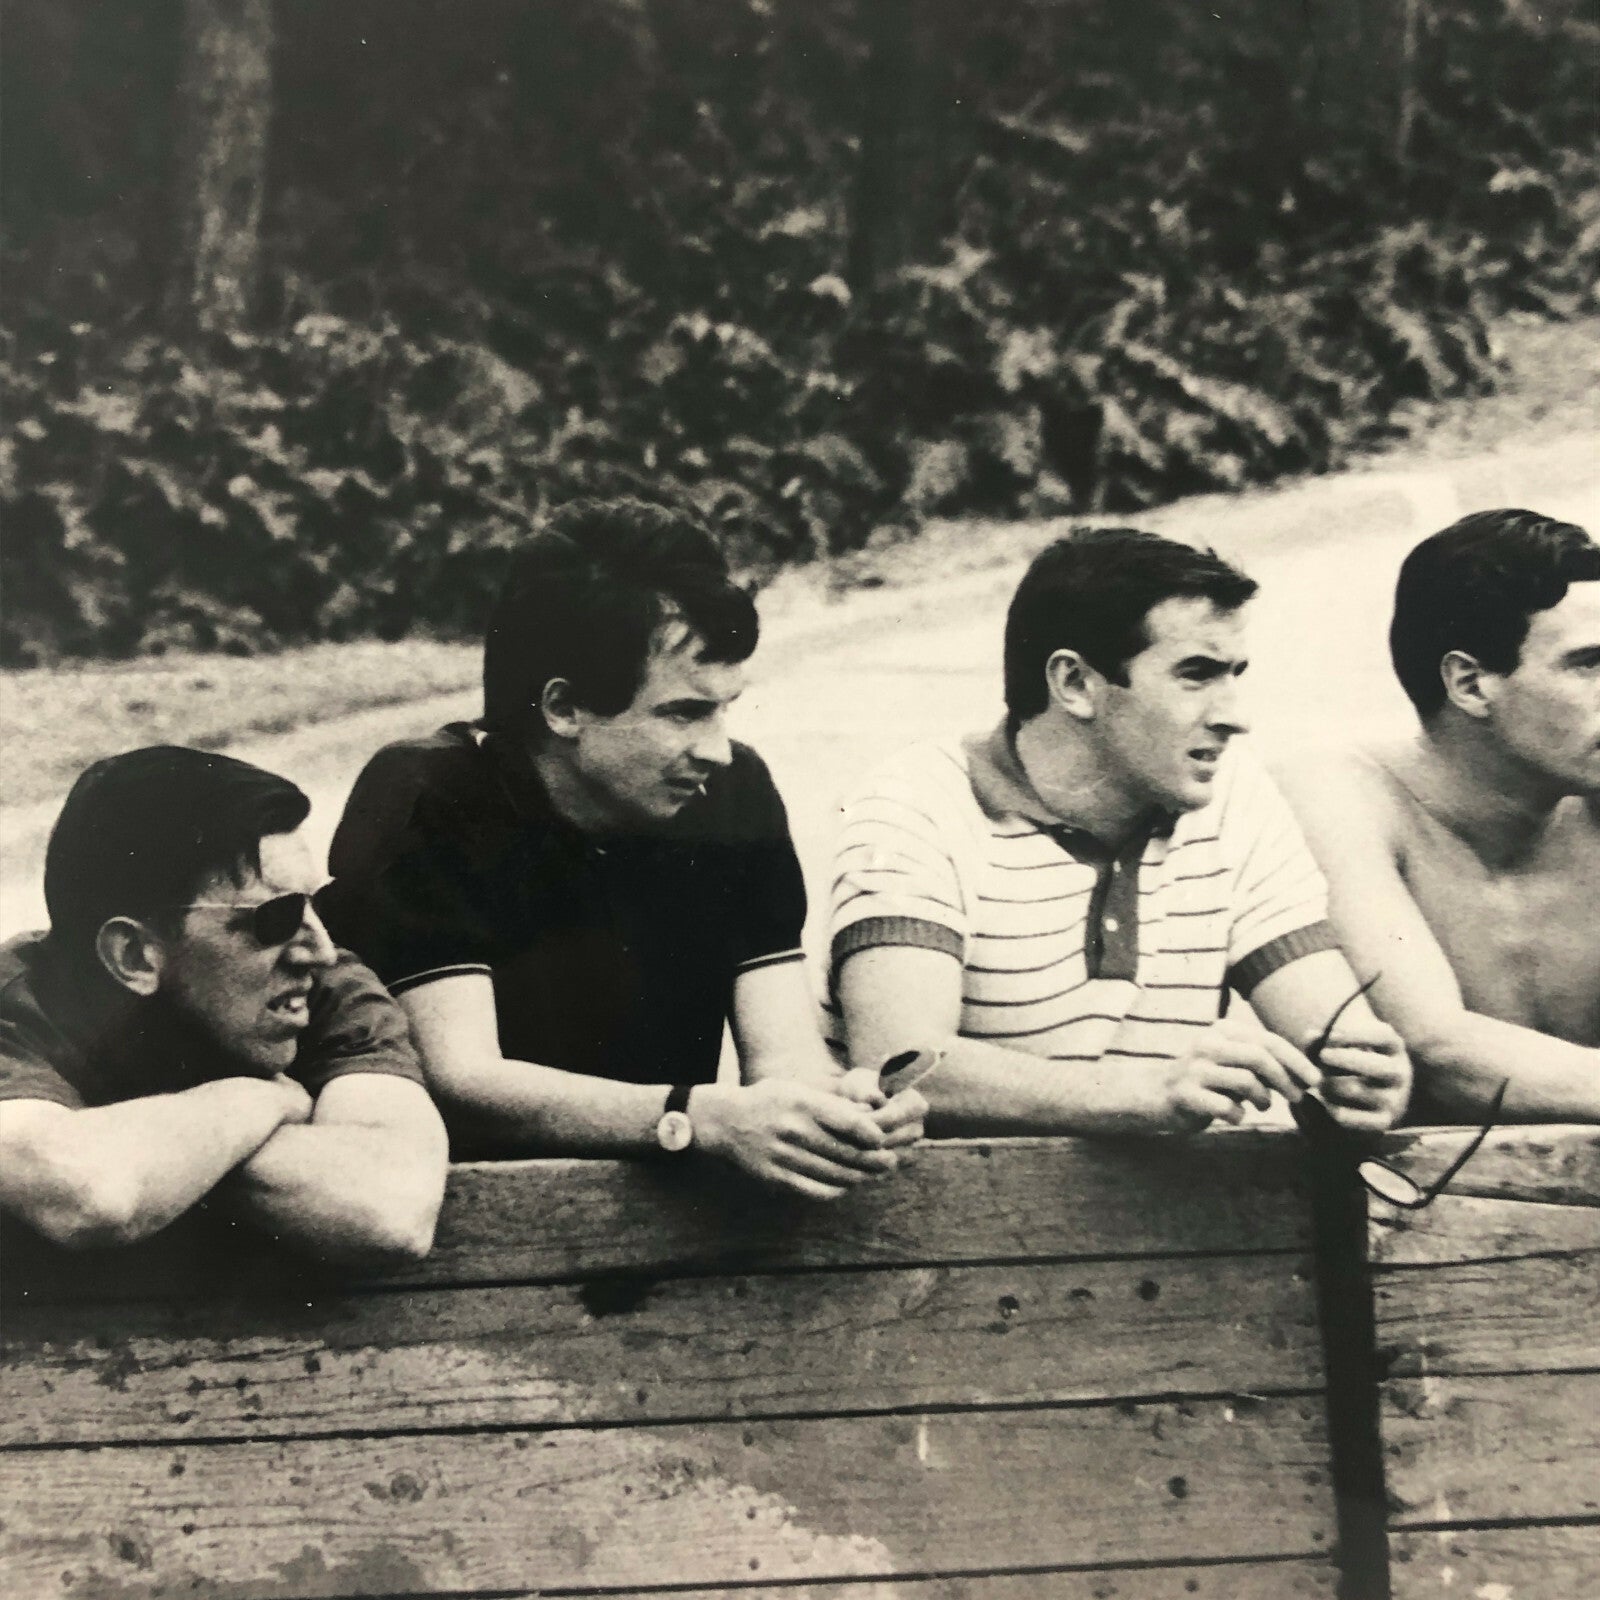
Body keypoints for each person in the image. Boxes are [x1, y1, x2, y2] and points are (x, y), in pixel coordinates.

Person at [321, 498, 923, 1198]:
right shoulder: (431, 794)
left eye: (725, 707)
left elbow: (784, 1056)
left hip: (664, 1220)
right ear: (563, 708)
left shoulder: (733, 794)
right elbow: (463, 1081)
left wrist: (840, 1108)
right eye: (684, 712)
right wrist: (692, 1117)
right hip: (469, 1231)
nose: (718, 750)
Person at [827, 525, 1412, 1136]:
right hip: (932, 1218)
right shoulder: (917, 802)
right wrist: (1144, 1093)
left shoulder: (1236, 797)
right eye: (1196, 674)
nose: (1234, 717)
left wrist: (1359, 1076)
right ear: (1076, 684)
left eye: (1234, 674)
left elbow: (1327, 1022)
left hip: (1150, 1222)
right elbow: (899, 1062)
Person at [0, 746, 449, 1262]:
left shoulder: (329, 989)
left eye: (313, 905)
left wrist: (157, 1158)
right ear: (134, 955)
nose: (319, 951)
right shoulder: (17, 1001)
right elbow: (87, 1193)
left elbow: (391, 1206)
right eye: (275, 919)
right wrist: (263, 1100)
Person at [1278, 509, 1600, 1122]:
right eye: (1589, 663)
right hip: (1420, 1205)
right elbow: (1437, 1052)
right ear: (1471, 684)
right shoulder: (1344, 798)